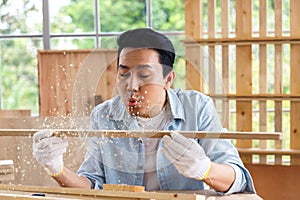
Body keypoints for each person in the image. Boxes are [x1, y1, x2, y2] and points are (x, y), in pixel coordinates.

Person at [33, 28, 255, 194]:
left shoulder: (197, 107)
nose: (132, 86)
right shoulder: (103, 116)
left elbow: (238, 179)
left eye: (145, 76)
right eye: (124, 73)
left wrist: (204, 169)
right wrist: (57, 169)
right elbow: (92, 185)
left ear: (168, 79)